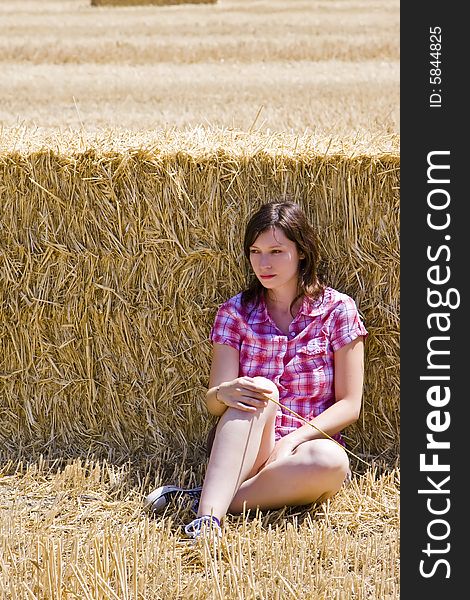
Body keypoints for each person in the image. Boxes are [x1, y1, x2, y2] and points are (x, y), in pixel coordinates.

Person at [145, 200, 367, 540]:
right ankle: (207, 520)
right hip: (244, 445)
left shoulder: (338, 310)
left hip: (300, 455)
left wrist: (293, 440)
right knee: (262, 389)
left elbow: (350, 404)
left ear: (302, 252)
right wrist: (224, 392)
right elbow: (214, 402)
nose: (263, 263)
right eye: (255, 251)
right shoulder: (235, 313)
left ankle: (206, 497)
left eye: (276, 251)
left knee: (332, 462)